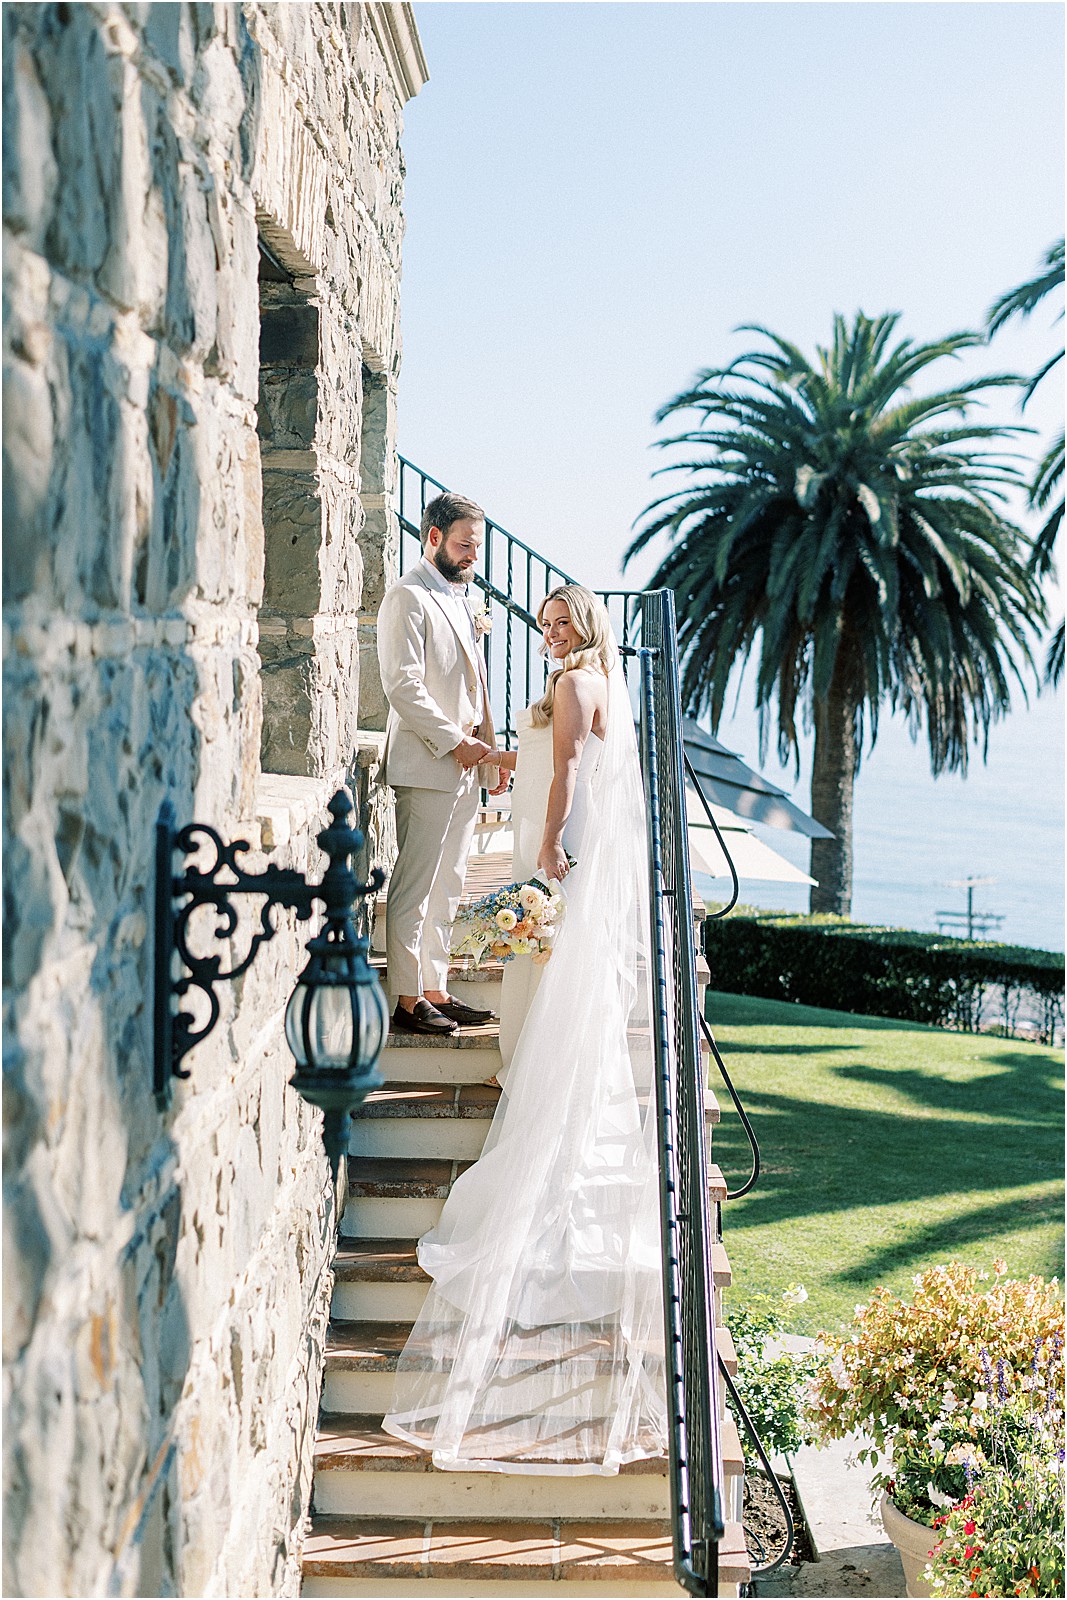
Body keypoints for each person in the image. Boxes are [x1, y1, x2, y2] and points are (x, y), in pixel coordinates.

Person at [382, 586, 667, 1475]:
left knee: (536, 974)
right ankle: (537, 1075)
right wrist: (509, 778)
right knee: (533, 974)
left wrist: (544, 845)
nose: (547, 631)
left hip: (554, 847)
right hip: (544, 838)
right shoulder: (584, 681)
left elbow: (573, 769)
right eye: (542, 621)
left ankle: (541, 1090)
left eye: (559, 621)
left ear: (585, 628)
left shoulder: (582, 685)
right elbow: (551, 758)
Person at [376, 491, 500, 1035]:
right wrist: (454, 743)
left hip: (467, 766)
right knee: (417, 884)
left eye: (478, 546)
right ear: (433, 537)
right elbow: (402, 686)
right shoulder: (407, 597)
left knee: (449, 882)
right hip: (428, 763)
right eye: (465, 545)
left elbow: (475, 686)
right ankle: (405, 997)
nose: (474, 555)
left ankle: (435, 988)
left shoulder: (461, 598)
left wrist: (488, 754)